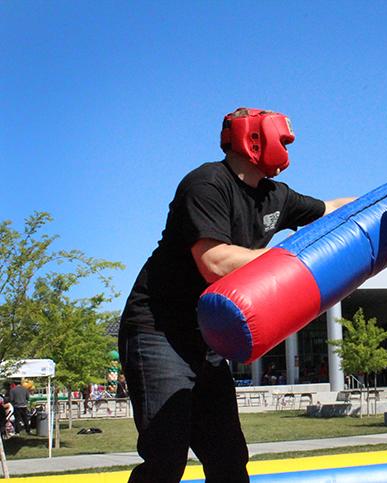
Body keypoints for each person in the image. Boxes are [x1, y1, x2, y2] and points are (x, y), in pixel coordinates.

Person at [119, 107, 353, 483]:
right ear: (255, 139)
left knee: (228, 458)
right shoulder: (207, 184)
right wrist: (286, 261)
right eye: (284, 140)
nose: (288, 148)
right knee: (166, 456)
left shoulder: (276, 195)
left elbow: (332, 209)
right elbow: (215, 261)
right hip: (158, 331)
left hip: (206, 337)